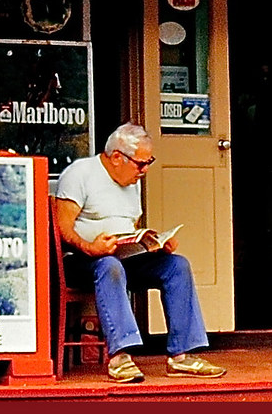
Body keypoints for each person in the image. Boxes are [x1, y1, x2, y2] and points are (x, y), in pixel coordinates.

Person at [55, 122, 226, 383]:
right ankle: (121, 357)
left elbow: (128, 227)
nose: (145, 170)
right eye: (141, 164)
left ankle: (182, 355)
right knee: (108, 265)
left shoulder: (131, 181)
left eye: (149, 162)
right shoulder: (80, 174)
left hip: (123, 257)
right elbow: (62, 230)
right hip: (83, 260)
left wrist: (153, 243)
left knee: (176, 265)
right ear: (116, 158)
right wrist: (90, 247)